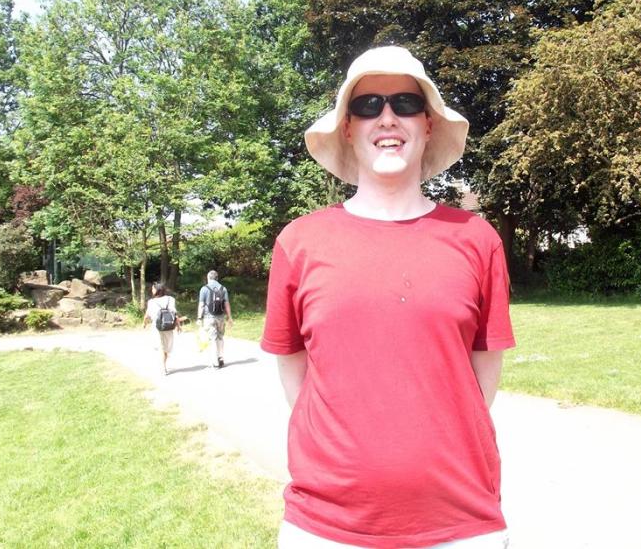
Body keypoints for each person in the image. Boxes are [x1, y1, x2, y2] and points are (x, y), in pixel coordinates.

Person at [262, 46, 515, 548]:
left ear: (427, 123)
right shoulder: (300, 242)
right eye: (367, 105)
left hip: (459, 523)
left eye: (404, 102)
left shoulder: (477, 238)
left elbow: (480, 376)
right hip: (328, 527)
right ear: (348, 127)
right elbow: (294, 368)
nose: (387, 117)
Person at [197, 269, 233, 368]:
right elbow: (226, 304)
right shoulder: (223, 288)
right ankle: (221, 358)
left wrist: (199, 318)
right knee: (220, 337)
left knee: (212, 339)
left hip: (209, 317)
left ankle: (215, 362)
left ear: (208, 278)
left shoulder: (204, 289)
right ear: (217, 278)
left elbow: (201, 305)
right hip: (220, 317)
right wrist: (230, 317)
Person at [142, 282, 179, 376]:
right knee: (165, 348)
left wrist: (144, 324)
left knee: (162, 348)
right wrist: (178, 325)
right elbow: (174, 313)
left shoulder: (151, 302)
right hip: (169, 326)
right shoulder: (171, 299)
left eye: (153, 289)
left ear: (157, 290)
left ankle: (163, 367)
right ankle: (163, 366)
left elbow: (147, 315)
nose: (152, 290)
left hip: (157, 327)